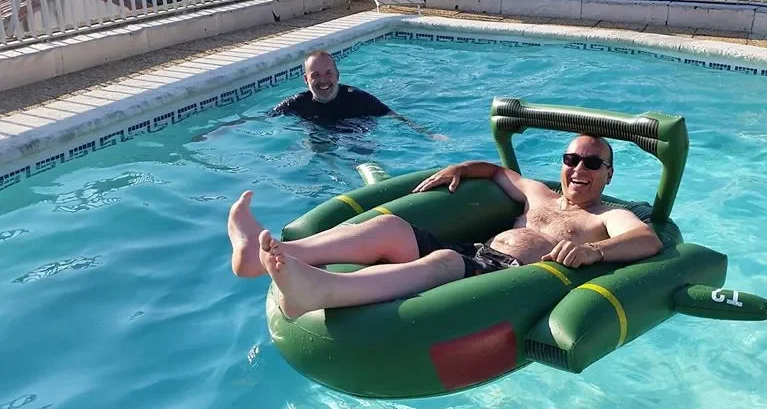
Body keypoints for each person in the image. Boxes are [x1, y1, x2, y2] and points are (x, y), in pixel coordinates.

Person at [227, 135, 663, 319]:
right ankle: (263, 256)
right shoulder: (540, 193)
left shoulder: (604, 216)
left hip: (510, 276)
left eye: (592, 163)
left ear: (609, 174)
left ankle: (318, 293)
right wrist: (459, 167)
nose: (579, 168)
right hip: (478, 252)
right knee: (393, 228)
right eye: (571, 159)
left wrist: (594, 251)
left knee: (445, 260)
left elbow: (646, 238)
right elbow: (497, 172)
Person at [270, 50, 449, 141]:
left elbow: (394, 117)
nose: (323, 80)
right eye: (315, 75)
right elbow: (263, 119)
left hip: (355, 135)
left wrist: (429, 134)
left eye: (328, 73)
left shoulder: (358, 98)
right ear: (306, 79)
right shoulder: (295, 103)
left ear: (338, 75)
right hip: (321, 134)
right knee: (313, 144)